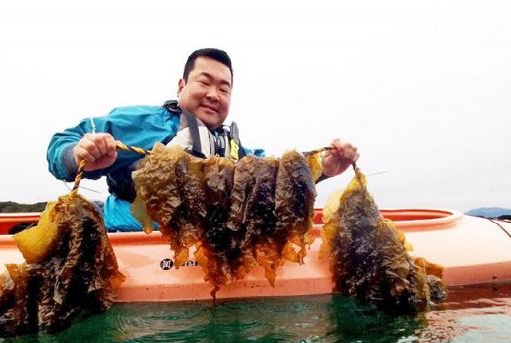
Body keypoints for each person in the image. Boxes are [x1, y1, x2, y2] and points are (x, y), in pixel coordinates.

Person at [47, 48, 359, 231]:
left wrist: (324, 168)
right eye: (204, 82)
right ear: (181, 85)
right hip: (131, 240)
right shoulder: (142, 122)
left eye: (224, 89)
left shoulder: (235, 149)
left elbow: (278, 174)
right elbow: (61, 144)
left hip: (209, 255)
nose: (214, 95)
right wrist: (76, 153)